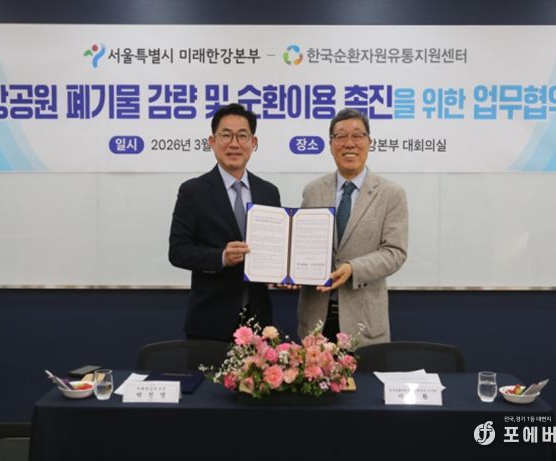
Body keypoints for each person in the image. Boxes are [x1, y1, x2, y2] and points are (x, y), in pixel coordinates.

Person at [169, 103, 281, 341]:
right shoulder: (193, 191)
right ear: (212, 141)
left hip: (259, 320)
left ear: (254, 142)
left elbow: (276, 248)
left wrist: (285, 270)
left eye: (242, 136)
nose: (234, 144)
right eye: (226, 135)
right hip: (210, 322)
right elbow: (178, 251)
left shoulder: (269, 192)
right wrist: (221, 257)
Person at [297, 108, 408, 347]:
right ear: (330, 144)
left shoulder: (391, 193)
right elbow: (302, 245)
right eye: (340, 136)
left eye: (357, 135)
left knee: (366, 375)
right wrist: (288, 268)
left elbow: (395, 253)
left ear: (369, 142)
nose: (349, 143)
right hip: (315, 321)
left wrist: (353, 268)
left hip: (364, 324)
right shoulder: (312, 191)